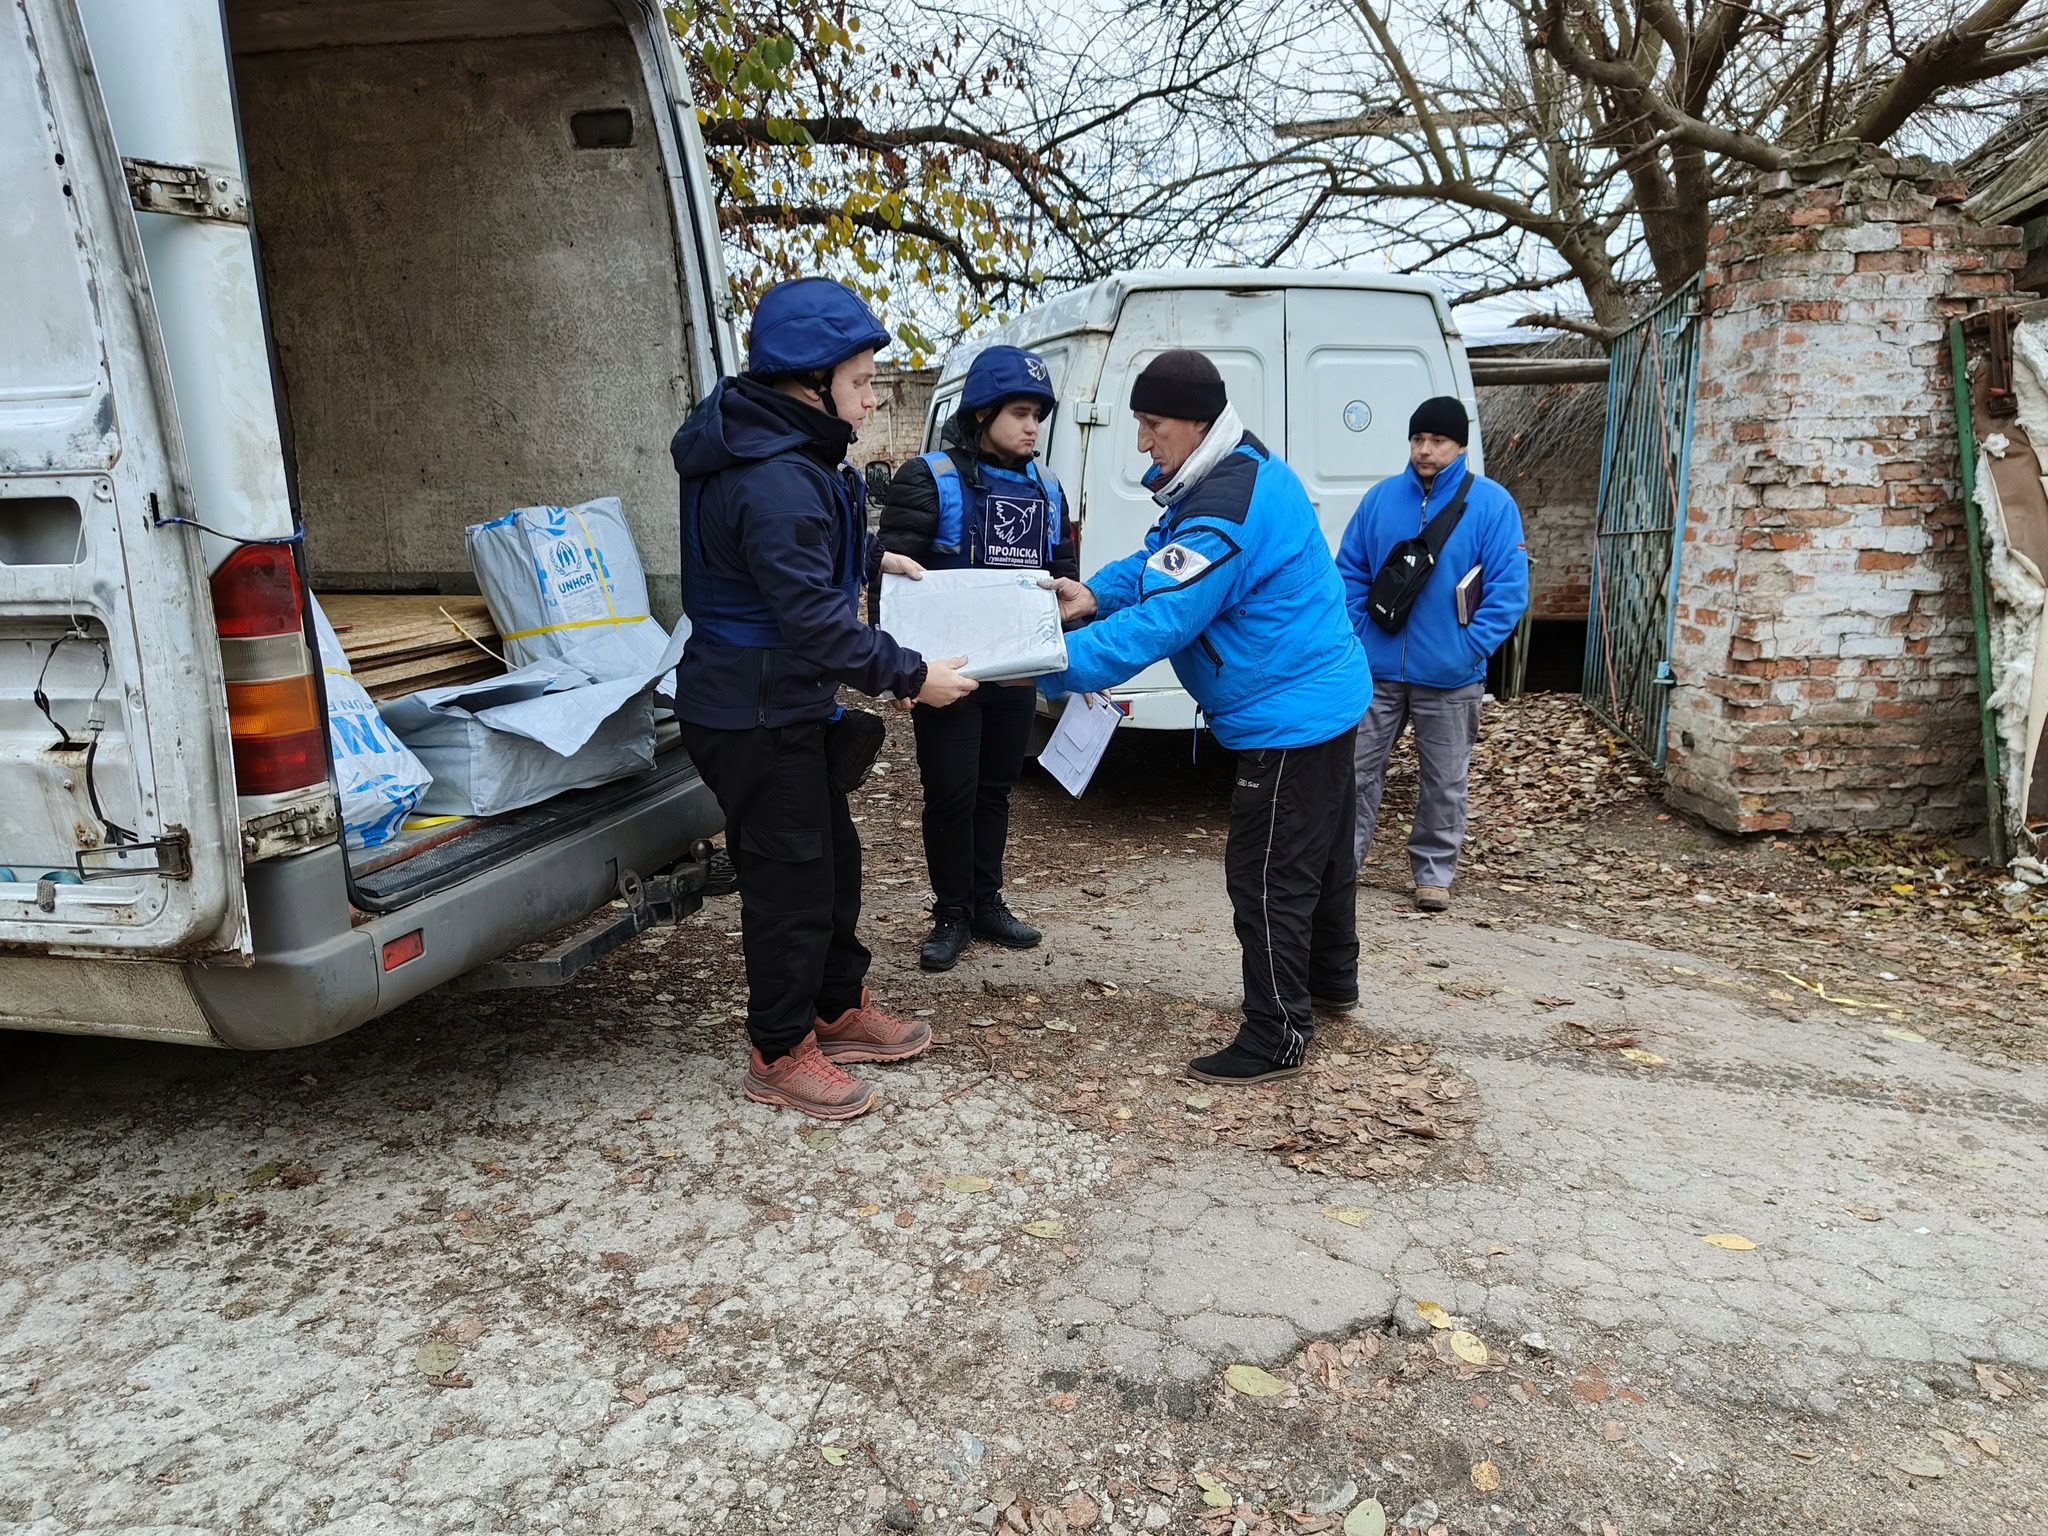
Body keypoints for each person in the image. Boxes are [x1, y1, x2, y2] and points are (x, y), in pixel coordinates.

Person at [669, 277, 979, 1120]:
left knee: (832, 864)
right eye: (862, 382)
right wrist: (913, 674)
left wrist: (877, 557)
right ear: (808, 384)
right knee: (790, 886)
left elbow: (801, 553)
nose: (874, 398)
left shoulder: (790, 451)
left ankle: (837, 1008)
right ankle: (778, 1050)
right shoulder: (773, 473)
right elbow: (810, 621)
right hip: (753, 712)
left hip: (782, 705)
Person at [1038, 350, 1374, 1084]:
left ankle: (1277, 1033)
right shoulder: (1227, 472)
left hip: (1291, 717)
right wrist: (1091, 595)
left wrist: (1037, 661)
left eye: (1152, 424)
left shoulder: (1227, 506)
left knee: (1266, 876)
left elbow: (1163, 621)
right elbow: (1162, 562)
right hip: (1321, 698)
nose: (1141, 441)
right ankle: (1332, 979)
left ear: (1195, 423)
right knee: (1319, 857)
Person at [879, 345, 1078, 971]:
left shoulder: (1049, 490)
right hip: (950, 677)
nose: (1032, 426)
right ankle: (952, 912)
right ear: (983, 411)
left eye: (1039, 415)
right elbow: (889, 578)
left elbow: (1064, 578)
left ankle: (986, 902)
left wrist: (1073, 616)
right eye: (1020, 412)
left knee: (995, 790)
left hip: (1015, 675)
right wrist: (900, 673)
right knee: (951, 794)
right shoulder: (927, 478)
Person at [1335, 395, 1529, 913]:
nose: (1425, 450)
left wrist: (1471, 646)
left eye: (1438, 441)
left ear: (1459, 445)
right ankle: (1341, 866)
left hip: (1451, 675)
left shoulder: (1491, 504)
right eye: (1418, 439)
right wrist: (1358, 631)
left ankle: (1433, 874)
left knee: (1444, 780)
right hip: (1375, 670)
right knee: (1353, 772)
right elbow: (1348, 570)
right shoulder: (1380, 500)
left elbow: (1509, 590)